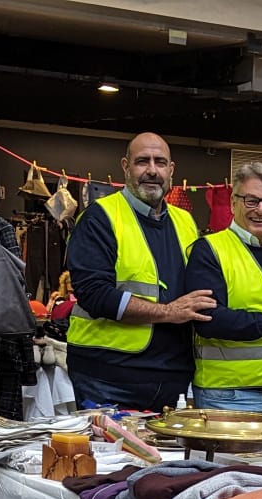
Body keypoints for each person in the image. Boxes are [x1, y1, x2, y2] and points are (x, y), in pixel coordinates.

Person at [64, 132, 213, 411]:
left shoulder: (185, 221)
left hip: (172, 378)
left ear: (171, 170)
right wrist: (169, 312)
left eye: (160, 162)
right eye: (142, 161)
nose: (152, 171)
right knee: (110, 455)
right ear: (125, 166)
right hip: (108, 376)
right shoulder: (100, 217)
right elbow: (94, 294)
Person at [178, 163, 262, 415]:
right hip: (226, 396)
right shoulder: (209, 250)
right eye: (251, 201)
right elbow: (207, 319)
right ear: (233, 203)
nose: (261, 210)